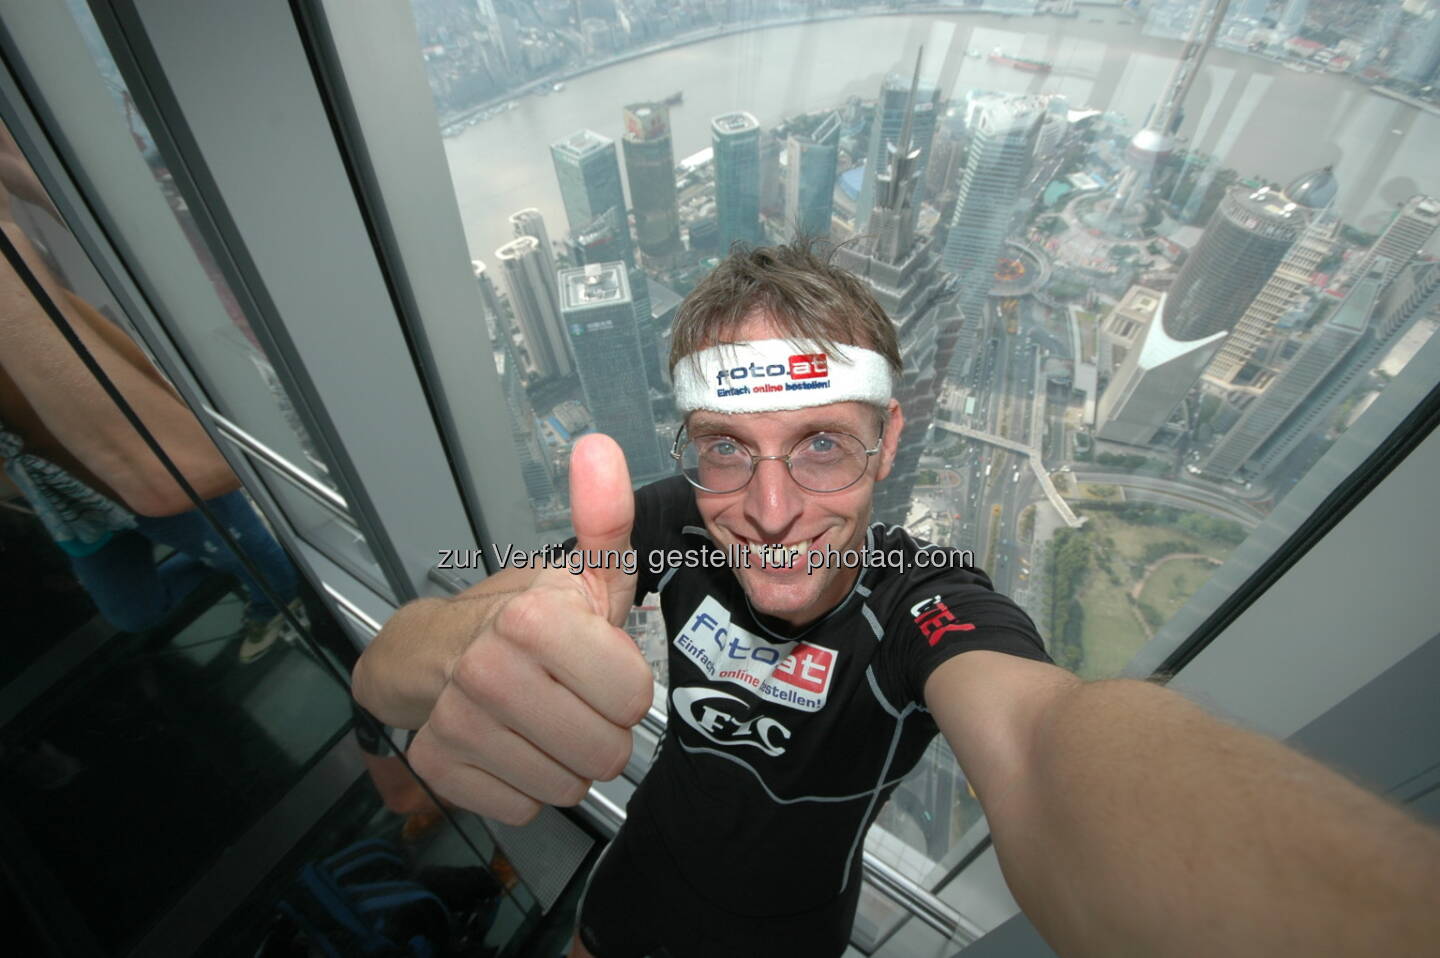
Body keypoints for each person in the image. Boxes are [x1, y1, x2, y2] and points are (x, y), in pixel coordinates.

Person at [352, 241, 1440, 957]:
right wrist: (467, 644)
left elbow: (1052, 744)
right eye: (729, 448)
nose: (770, 507)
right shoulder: (667, 520)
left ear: (888, 442)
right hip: (627, 892)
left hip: (794, 937)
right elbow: (391, 660)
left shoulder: (922, 603)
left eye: (820, 444)